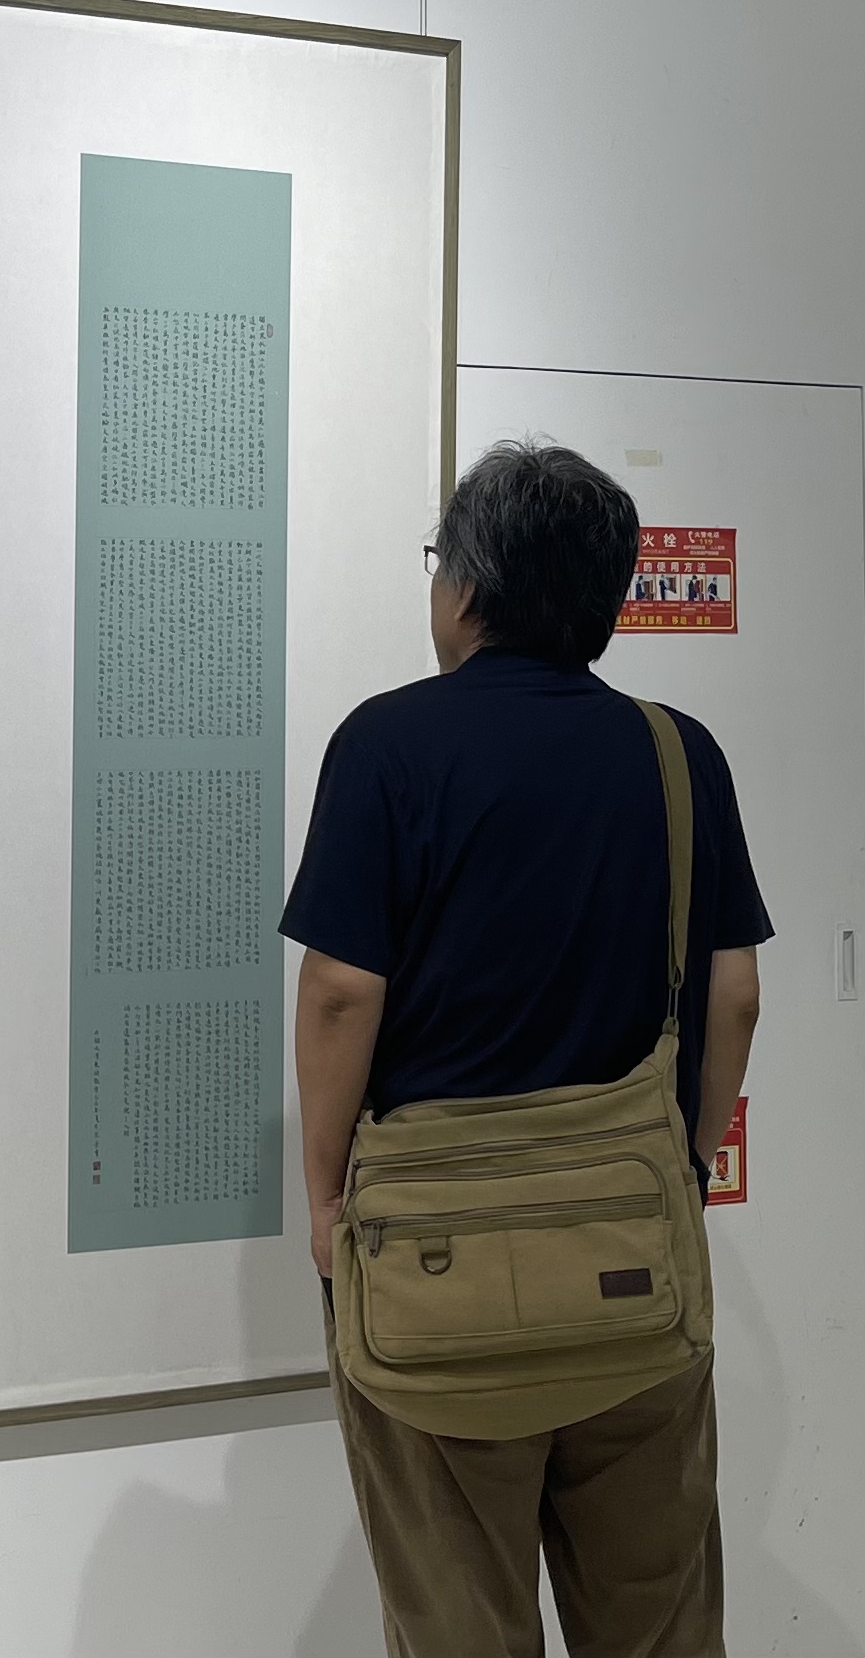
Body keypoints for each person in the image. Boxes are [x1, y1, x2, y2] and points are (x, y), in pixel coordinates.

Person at [283, 440, 771, 1658]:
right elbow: (735, 997)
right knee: (658, 1625)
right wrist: (683, 1164)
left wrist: (326, 1199)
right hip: (631, 1258)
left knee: (459, 1623)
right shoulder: (679, 753)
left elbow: (341, 995)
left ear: (466, 585)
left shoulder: (387, 744)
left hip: (432, 1278)